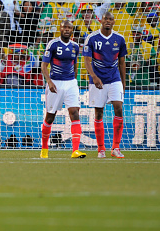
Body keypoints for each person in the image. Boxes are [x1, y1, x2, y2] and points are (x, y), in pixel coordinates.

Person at [83, 11, 127, 159]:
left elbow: (122, 63)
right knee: (99, 113)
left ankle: (116, 147)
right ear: (101, 21)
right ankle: (101, 149)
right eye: (105, 19)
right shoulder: (92, 38)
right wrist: (94, 77)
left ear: (114, 22)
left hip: (114, 78)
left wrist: (123, 83)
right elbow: (87, 61)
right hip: (98, 79)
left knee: (118, 108)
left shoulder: (119, 39)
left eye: (110, 19)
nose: (108, 21)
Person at [40, 20, 86, 159]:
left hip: (71, 82)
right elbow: (43, 66)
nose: (66, 29)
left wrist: (75, 81)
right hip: (56, 83)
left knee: (75, 113)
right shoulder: (53, 44)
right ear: (60, 29)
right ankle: (44, 148)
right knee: (50, 116)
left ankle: (75, 150)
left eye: (69, 28)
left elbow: (75, 64)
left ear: (72, 30)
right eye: (64, 27)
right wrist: (49, 81)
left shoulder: (75, 46)